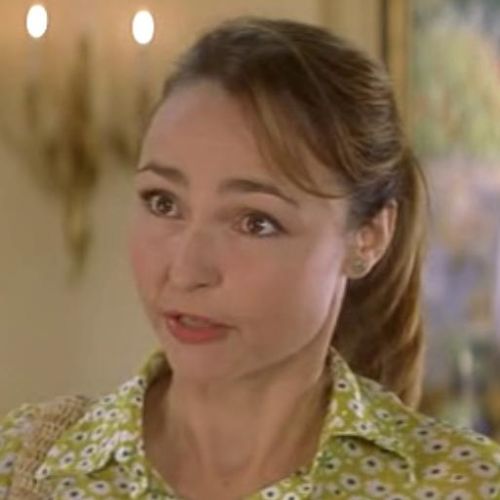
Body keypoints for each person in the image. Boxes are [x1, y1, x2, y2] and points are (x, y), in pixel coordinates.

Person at [1, 16, 499, 500]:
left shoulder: (462, 486)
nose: (186, 271)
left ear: (367, 238)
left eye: (256, 222)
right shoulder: (24, 465)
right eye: (163, 202)